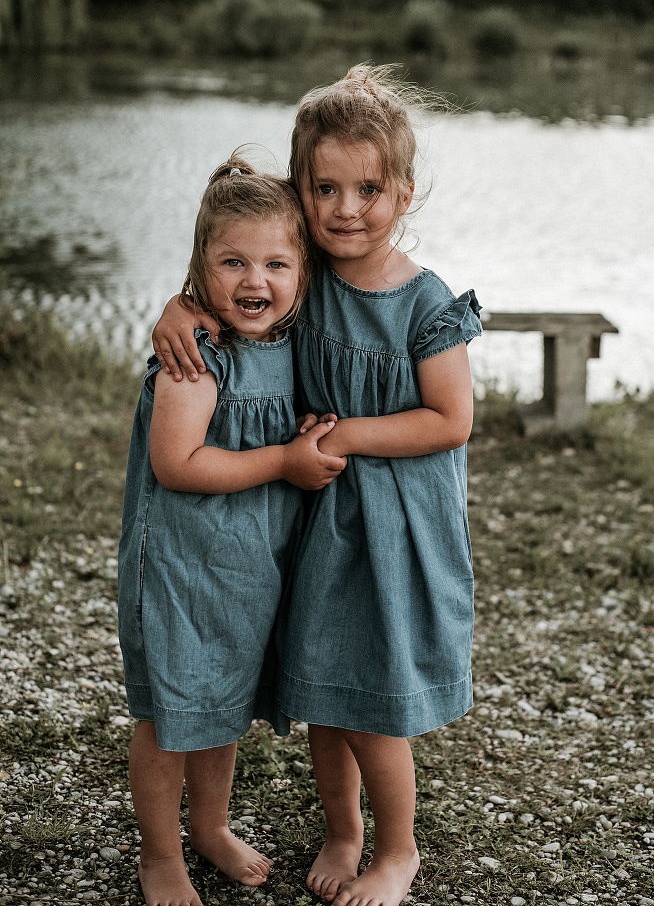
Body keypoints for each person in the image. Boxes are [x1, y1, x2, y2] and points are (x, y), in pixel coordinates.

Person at [152, 67, 483, 906]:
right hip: (320, 515)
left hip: (393, 525)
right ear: (300, 193)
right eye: (324, 188)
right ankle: (344, 831)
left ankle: (398, 849)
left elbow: (451, 420)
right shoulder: (306, 275)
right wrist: (179, 308)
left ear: (405, 192)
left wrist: (346, 435)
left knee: (370, 698)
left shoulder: (426, 303)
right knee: (326, 688)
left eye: (367, 189)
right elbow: (234, 278)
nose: (345, 209)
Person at [119, 155, 346, 906]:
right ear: (200, 267)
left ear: (303, 272)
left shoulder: (288, 341)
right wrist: (283, 459)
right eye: (233, 262)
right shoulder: (195, 357)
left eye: (276, 264)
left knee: (220, 703)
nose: (256, 280)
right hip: (181, 566)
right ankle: (160, 855)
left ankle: (210, 827)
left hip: (248, 562)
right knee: (170, 714)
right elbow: (178, 463)